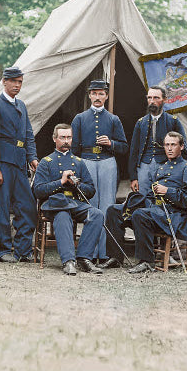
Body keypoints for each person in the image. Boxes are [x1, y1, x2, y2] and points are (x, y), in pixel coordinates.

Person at [105, 131, 187, 273]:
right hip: (154, 212)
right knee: (114, 210)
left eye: (173, 145)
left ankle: (146, 261)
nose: (169, 148)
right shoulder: (160, 168)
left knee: (140, 214)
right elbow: (150, 196)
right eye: (167, 145)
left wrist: (168, 191)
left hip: (174, 216)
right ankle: (115, 257)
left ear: (182, 147)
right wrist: (132, 204)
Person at [33, 124, 104, 276]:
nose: (66, 141)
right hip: (53, 204)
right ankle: (68, 261)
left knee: (96, 214)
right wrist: (61, 182)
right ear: (54, 139)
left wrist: (76, 184)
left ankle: (84, 258)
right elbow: (38, 191)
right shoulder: (46, 162)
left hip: (74, 203)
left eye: (69, 137)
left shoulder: (78, 162)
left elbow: (91, 190)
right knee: (63, 214)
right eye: (62, 137)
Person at [0, 66, 39, 263]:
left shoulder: (21, 105)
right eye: (13, 81)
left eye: (20, 82)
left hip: (20, 163)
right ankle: (3, 250)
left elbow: (28, 134)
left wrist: (32, 157)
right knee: (3, 207)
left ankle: (23, 250)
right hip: (3, 162)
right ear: (4, 82)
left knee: (28, 206)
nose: (17, 85)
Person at [71, 79, 128, 266]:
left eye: (101, 93)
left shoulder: (113, 119)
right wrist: (76, 169)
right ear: (89, 95)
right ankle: (89, 252)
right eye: (94, 93)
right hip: (86, 162)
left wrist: (111, 143)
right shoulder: (79, 118)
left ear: (106, 96)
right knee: (91, 207)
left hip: (107, 163)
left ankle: (104, 253)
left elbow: (124, 147)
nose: (97, 97)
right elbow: (74, 149)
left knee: (107, 207)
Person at [128, 85, 187, 197]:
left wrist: (177, 170)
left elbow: (183, 148)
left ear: (164, 100)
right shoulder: (141, 123)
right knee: (144, 199)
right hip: (144, 167)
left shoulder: (173, 121)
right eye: (149, 98)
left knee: (164, 199)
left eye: (156, 98)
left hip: (166, 166)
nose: (152, 101)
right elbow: (134, 151)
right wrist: (133, 177)